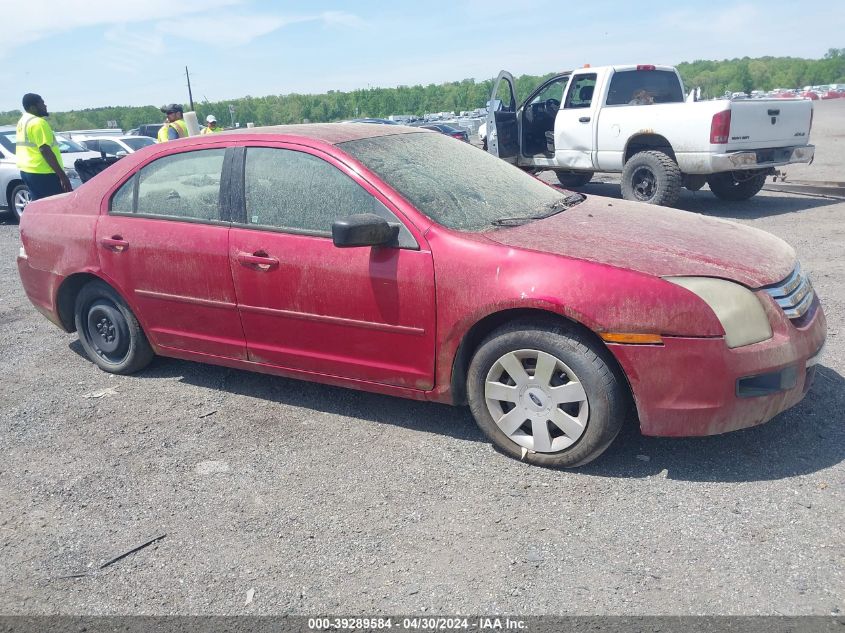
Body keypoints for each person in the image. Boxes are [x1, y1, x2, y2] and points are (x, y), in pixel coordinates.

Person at [15, 93, 72, 201]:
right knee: (57, 206)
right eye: (42, 103)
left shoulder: (22, 122)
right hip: (44, 173)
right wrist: (62, 176)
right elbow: (45, 150)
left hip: (27, 171)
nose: (45, 106)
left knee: (40, 206)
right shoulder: (38, 123)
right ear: (32, 107)